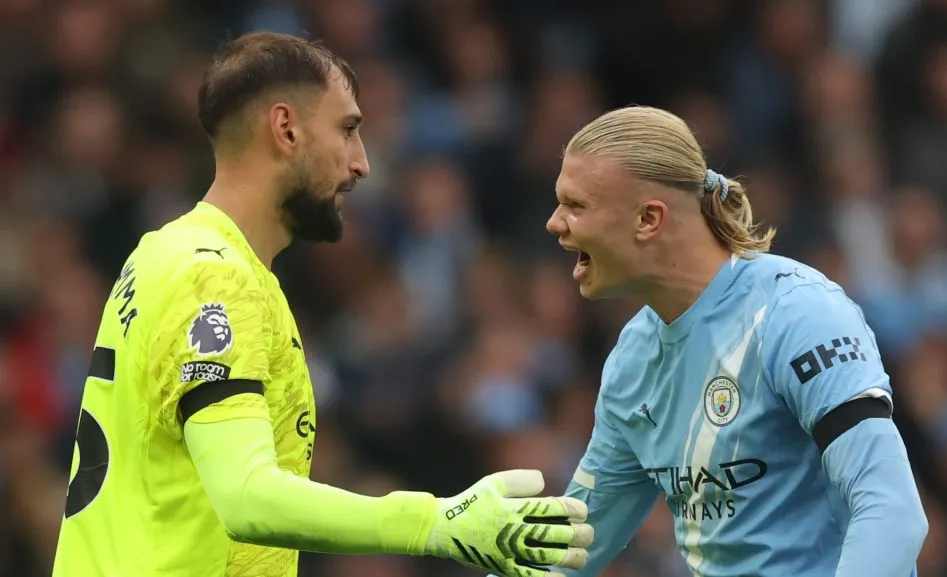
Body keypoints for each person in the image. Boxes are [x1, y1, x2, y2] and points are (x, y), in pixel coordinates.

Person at [51, 31, 592, 577]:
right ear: (286, 128)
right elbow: (246, 497)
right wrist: (434, 522)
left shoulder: (162, 253)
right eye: (349, 130)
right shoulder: (214, 277)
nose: (363, 164)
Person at [544, 106, 928, 576]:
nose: (554, 222)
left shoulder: (795, 313)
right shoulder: (633, 358)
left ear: (648, 218)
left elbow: (893, 512)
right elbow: (569, 549)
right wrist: (437, 526)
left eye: (575, 205)